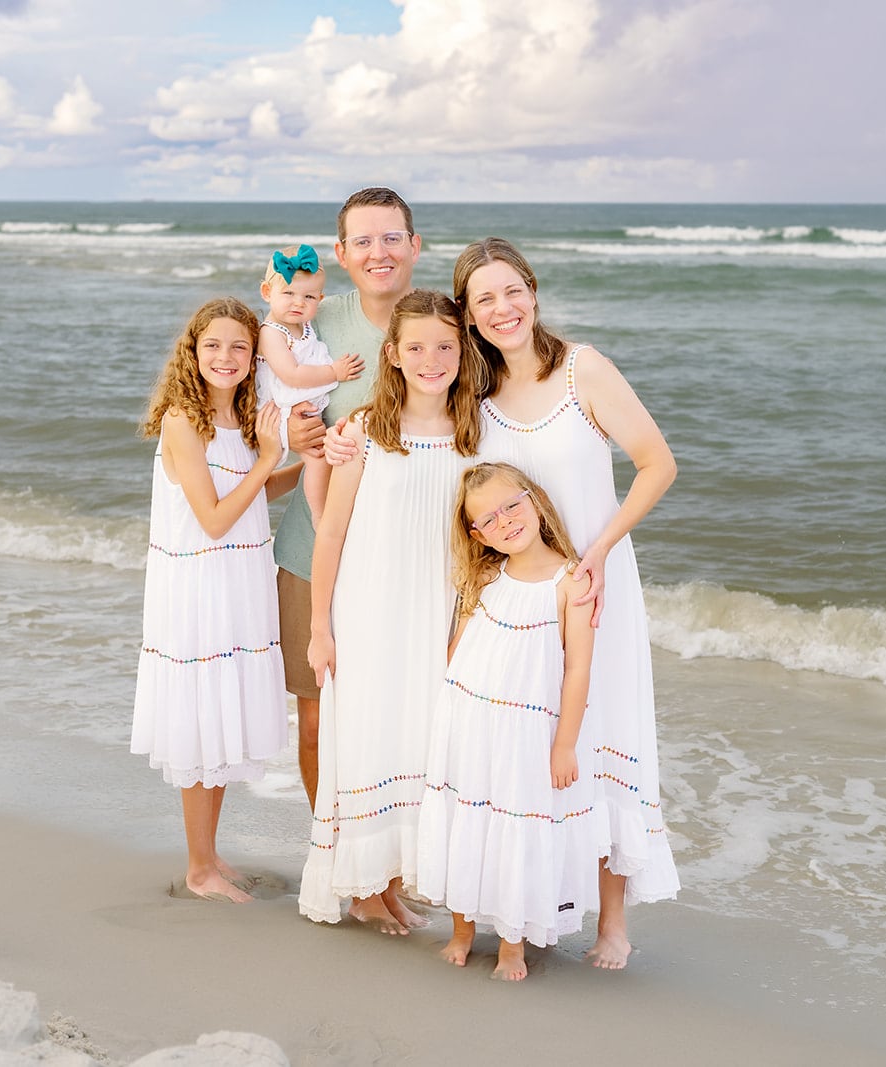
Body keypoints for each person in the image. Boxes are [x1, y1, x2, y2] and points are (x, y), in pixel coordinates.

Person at [453, 237, 681, 968]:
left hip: (593, 587)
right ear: (469, 314)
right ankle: (529, 897)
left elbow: (657, 464)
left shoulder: (585, 370)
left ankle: (612, 922)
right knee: (534, 750)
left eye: (511, 290)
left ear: (533, 290)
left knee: (609, 740)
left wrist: (601, 549)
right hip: (519, 606)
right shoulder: (478, 396)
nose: (502, 308)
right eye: (484, 298)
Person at [298, 289, 485, 933]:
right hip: (370, 607)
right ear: (394, 355)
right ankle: (361, 887)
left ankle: (392, 878)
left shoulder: (475, 434)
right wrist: (320, 627)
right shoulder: (365, 431)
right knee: (369, 734)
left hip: (435, 608)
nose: (432, 359)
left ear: (463, 350)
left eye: (445, 346)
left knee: (422, 736)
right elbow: (331, 533)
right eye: (417, 347)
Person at [131, 297, 300, 904]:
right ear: (193, 352)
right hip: (201, 589)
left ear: (255, 356)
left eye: (239, 347)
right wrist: (272, 461)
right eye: (213, 346)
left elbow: (249, 492)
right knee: (204, 724)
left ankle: (210, 853)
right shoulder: (184, 419)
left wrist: (302, 467)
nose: (226, 357)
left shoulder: (243, 417)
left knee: (223, 720)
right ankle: (198, 869)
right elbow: (213, 518)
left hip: (238, 584)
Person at [416, 463, 604, 981]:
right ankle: (460, 930)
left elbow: (578, 669)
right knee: (466, 820)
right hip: (471, 722)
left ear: (535, 500)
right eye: (489, 519)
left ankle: (512, 945)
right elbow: (460, 645)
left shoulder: (571, 581)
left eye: (511, 506)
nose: (504, 522)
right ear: (476, 534)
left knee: (514, 828)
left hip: (526, 734)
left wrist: (565, 745)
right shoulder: (484, 574)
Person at [272, 188, 421, 813]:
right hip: (312, 551)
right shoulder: (314, 317)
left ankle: (389, 862)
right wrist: (282, 433)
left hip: (404, 560)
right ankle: (332, 854)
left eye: (391, 238)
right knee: (317, 723)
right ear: (341, 252)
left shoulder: (442, 326)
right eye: (362, 240)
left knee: (398, 720)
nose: (377, 252)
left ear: (415, 245)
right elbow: (250, 382)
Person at [255, 244, 365, 527]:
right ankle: (320, 518)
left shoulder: (302, 327)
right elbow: (291, 374)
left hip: (301, 404)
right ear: (267, 293)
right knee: (317, 459)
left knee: (330, 452)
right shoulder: (271, 333)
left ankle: (337, 507)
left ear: (320, 299)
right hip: (282, 408)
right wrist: (334, 372)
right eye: (288, 293)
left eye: (308, 297)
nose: (298, 303)